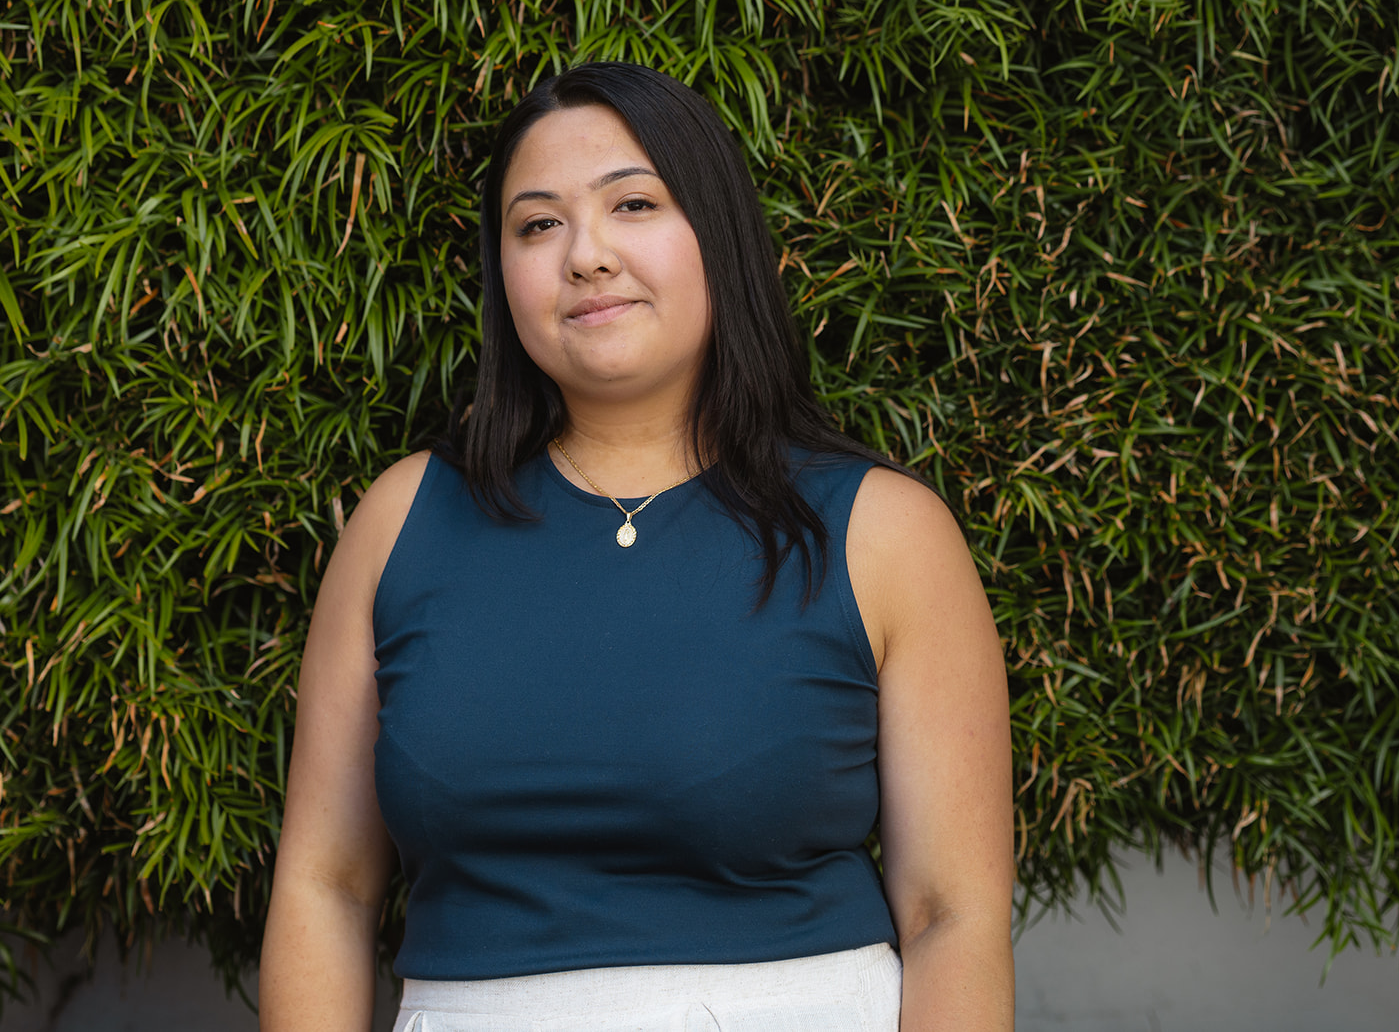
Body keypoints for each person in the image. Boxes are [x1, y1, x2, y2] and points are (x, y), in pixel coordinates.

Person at [258, 62, 1014, 1031]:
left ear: (719, 235)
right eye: (538, 224)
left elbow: (951, 913)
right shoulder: (402, 520)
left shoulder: (882, 530)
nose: (585, 255)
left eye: (634, 203)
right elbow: (326, 883)